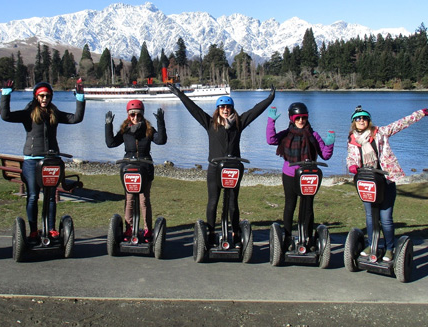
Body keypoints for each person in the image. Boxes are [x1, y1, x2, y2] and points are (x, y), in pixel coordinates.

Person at [168, 84, 275, 246]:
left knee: (233, 203)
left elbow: (254, 111)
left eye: (228, 107)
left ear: (232, 108)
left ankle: (236, 233)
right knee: (213, 201)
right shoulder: (210, 123)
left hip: (233, 168)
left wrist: (269, 99)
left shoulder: (239, 123)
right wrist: (179, 94)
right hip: (214, 168)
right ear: (218, 109)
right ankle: (210, 233)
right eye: (222, 107)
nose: (225, 109)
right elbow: (194, 109)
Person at [0, 79, 85, 241]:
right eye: (41, 96)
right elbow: (6, 116)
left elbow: (76, 118)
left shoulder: (55, 113)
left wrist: (80, 97)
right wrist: (5, 95)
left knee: (50, 196)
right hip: (32, 160)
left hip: (52, 161)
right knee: (32, 196)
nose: (45, 99)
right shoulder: (28, 113)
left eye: (47, 96)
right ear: (36, 97)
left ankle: (51, 229)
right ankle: (33, 230)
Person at [346, 105, 428, 261]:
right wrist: (352, 166)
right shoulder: (352, 139)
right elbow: (351, 157)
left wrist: (420, 114)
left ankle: (389, 248)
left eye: (364, 118)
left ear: (369, 120)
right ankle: (372, 245)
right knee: (371, 216)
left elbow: (401, 123)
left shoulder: (380, 133)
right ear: (353, 122)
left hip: (386, 180)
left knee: (385, 217)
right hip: (367, 182)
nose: (361, 120)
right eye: (358, 118)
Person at [266, 102, 334, 250]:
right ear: (292, 118)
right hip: (290, 175)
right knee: (290, 205)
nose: (301, 121)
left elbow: (325, 155)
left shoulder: (313, 135)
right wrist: (271, 121)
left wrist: (329, 144)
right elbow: (271, 140)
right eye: (297, 118)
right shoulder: (286, 134)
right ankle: (288, 237)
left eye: (303, 118)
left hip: (309, 176)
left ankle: (307, 238)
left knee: (307, 207)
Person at [105, 100, 167, 242]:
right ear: (128, 115)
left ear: (142, 115)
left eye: (138, 115)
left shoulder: (148, 129)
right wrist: (108, 125)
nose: (135, 118)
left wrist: (161, 122)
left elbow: (161, 140)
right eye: (132, 115)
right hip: (129, 168)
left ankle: (147, 230)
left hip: (145, 167)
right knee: (129, 199)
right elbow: (111, 143)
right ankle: (129, 228)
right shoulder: (125, 130)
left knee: (144, 199)